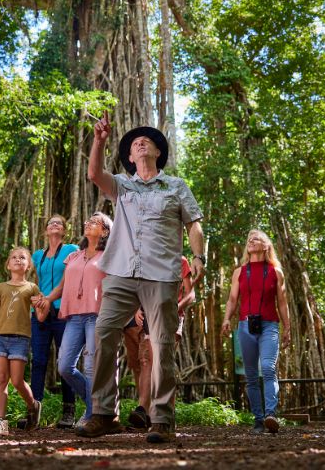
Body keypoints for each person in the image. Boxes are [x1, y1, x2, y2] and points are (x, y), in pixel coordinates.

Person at [77, 112, 205, 444]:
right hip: (121, 272)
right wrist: (99, 141)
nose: (141, 142)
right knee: (104, 333)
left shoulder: (176, 186)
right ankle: (104, 414)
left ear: (158, 152)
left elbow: (193, 223)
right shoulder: (122, 185)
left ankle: (161, 419)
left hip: (160, 275)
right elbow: (94, 174)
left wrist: (198, 256)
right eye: (135, 143)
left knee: (161, 345)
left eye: (147, 141)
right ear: (130, 158)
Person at [41, 212, 113, 427]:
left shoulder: (109, 256)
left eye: (94, 222)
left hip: (96, 315)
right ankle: (94, 405)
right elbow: (62, 286)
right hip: (73, 316)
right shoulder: (73, 256)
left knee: (91, 366)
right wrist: (47, 299)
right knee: (64, 366)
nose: (88, 224)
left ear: (105, 231)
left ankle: (91, 415)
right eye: (88, 221)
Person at [221, 229, 291, 435]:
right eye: (249, 239)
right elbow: (232, 299)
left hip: (269, 325)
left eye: (256, 239)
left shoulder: (276, 272)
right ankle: (258, 420)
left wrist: (287, 327)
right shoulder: (239, 272)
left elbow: (282, 302)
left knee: (268, 368)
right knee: (251, 375)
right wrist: (226, 319)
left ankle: (271, 415)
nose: (251, 241)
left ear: (266, 246)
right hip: (245, 326)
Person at [0, 247, 49, 436]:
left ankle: (33, 405)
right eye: (14, 257)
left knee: (17, 380)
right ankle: (1, 421)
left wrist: (43, 305)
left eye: (23, 258)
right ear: (8, 265)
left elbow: (40, 317)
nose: (18, 259)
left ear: (28, 266)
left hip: (20, 339)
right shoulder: (0, 287)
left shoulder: (32, 288)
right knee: (2, 378)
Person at [125, 256, 196, 428]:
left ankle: (166, 415)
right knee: (146, 360)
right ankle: (143, 411)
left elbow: (191, 294)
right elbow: (138, 289)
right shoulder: (146, 258)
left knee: (163, 362)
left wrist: (174, 308)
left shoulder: (180, 260)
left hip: (171, 316)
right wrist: (136, 309)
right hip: (149, 316)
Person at [28, 214, 79, 428]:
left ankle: (69, 411)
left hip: (62, 312)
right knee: (38, 361)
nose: (54, 225)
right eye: (51, 223)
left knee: (65, 361)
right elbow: (32, 281)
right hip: (41, 312)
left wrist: (49, 298)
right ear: (45, 230)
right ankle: (33, 410)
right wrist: (36, 299)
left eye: (59, 223)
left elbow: (70, 278)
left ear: (64, 230)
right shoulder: (37, 255)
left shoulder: (71, 250)